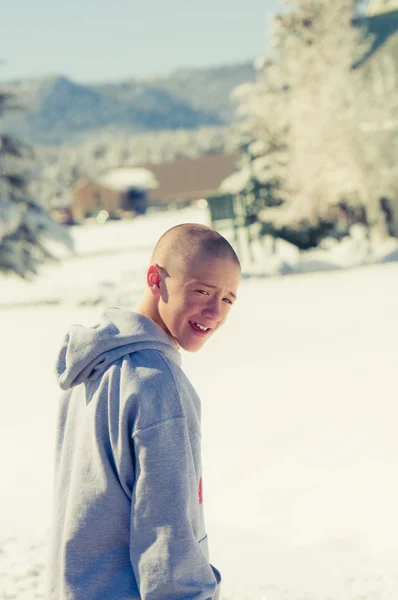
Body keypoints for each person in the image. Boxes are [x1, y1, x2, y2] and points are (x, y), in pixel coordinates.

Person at [48, 222, 241, 600]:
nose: (215, 312)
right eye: (202, 290)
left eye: (228, 299)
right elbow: (169, 546)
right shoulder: (157, 384)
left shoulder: (93, 366)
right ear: (156, 279)